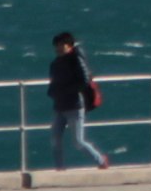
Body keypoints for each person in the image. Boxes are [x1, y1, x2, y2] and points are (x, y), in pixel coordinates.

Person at [47, 30, 110, 169]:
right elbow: (54, 82)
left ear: (69, 46)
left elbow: (85, 80)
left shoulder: (76, 59)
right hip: (59, 106)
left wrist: (67, 90)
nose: (58, 48)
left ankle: (101, 160)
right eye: (56, 45)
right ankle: (59, 169)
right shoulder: (56, 63)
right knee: (55, 140)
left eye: (61, 45)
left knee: (78, 141)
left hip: (74, 106)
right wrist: (52, 92)